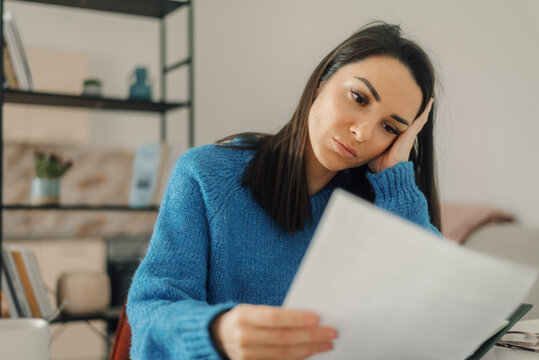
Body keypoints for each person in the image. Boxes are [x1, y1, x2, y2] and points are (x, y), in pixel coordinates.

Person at [127, 20, 441, 360]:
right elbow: (151, 308)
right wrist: (216, 331)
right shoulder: (206, 176)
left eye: (389, 127)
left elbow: (434, 310)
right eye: (358, 98)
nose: (363, 133)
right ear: (321, 81)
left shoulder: (381, 204)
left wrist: (396, 177)